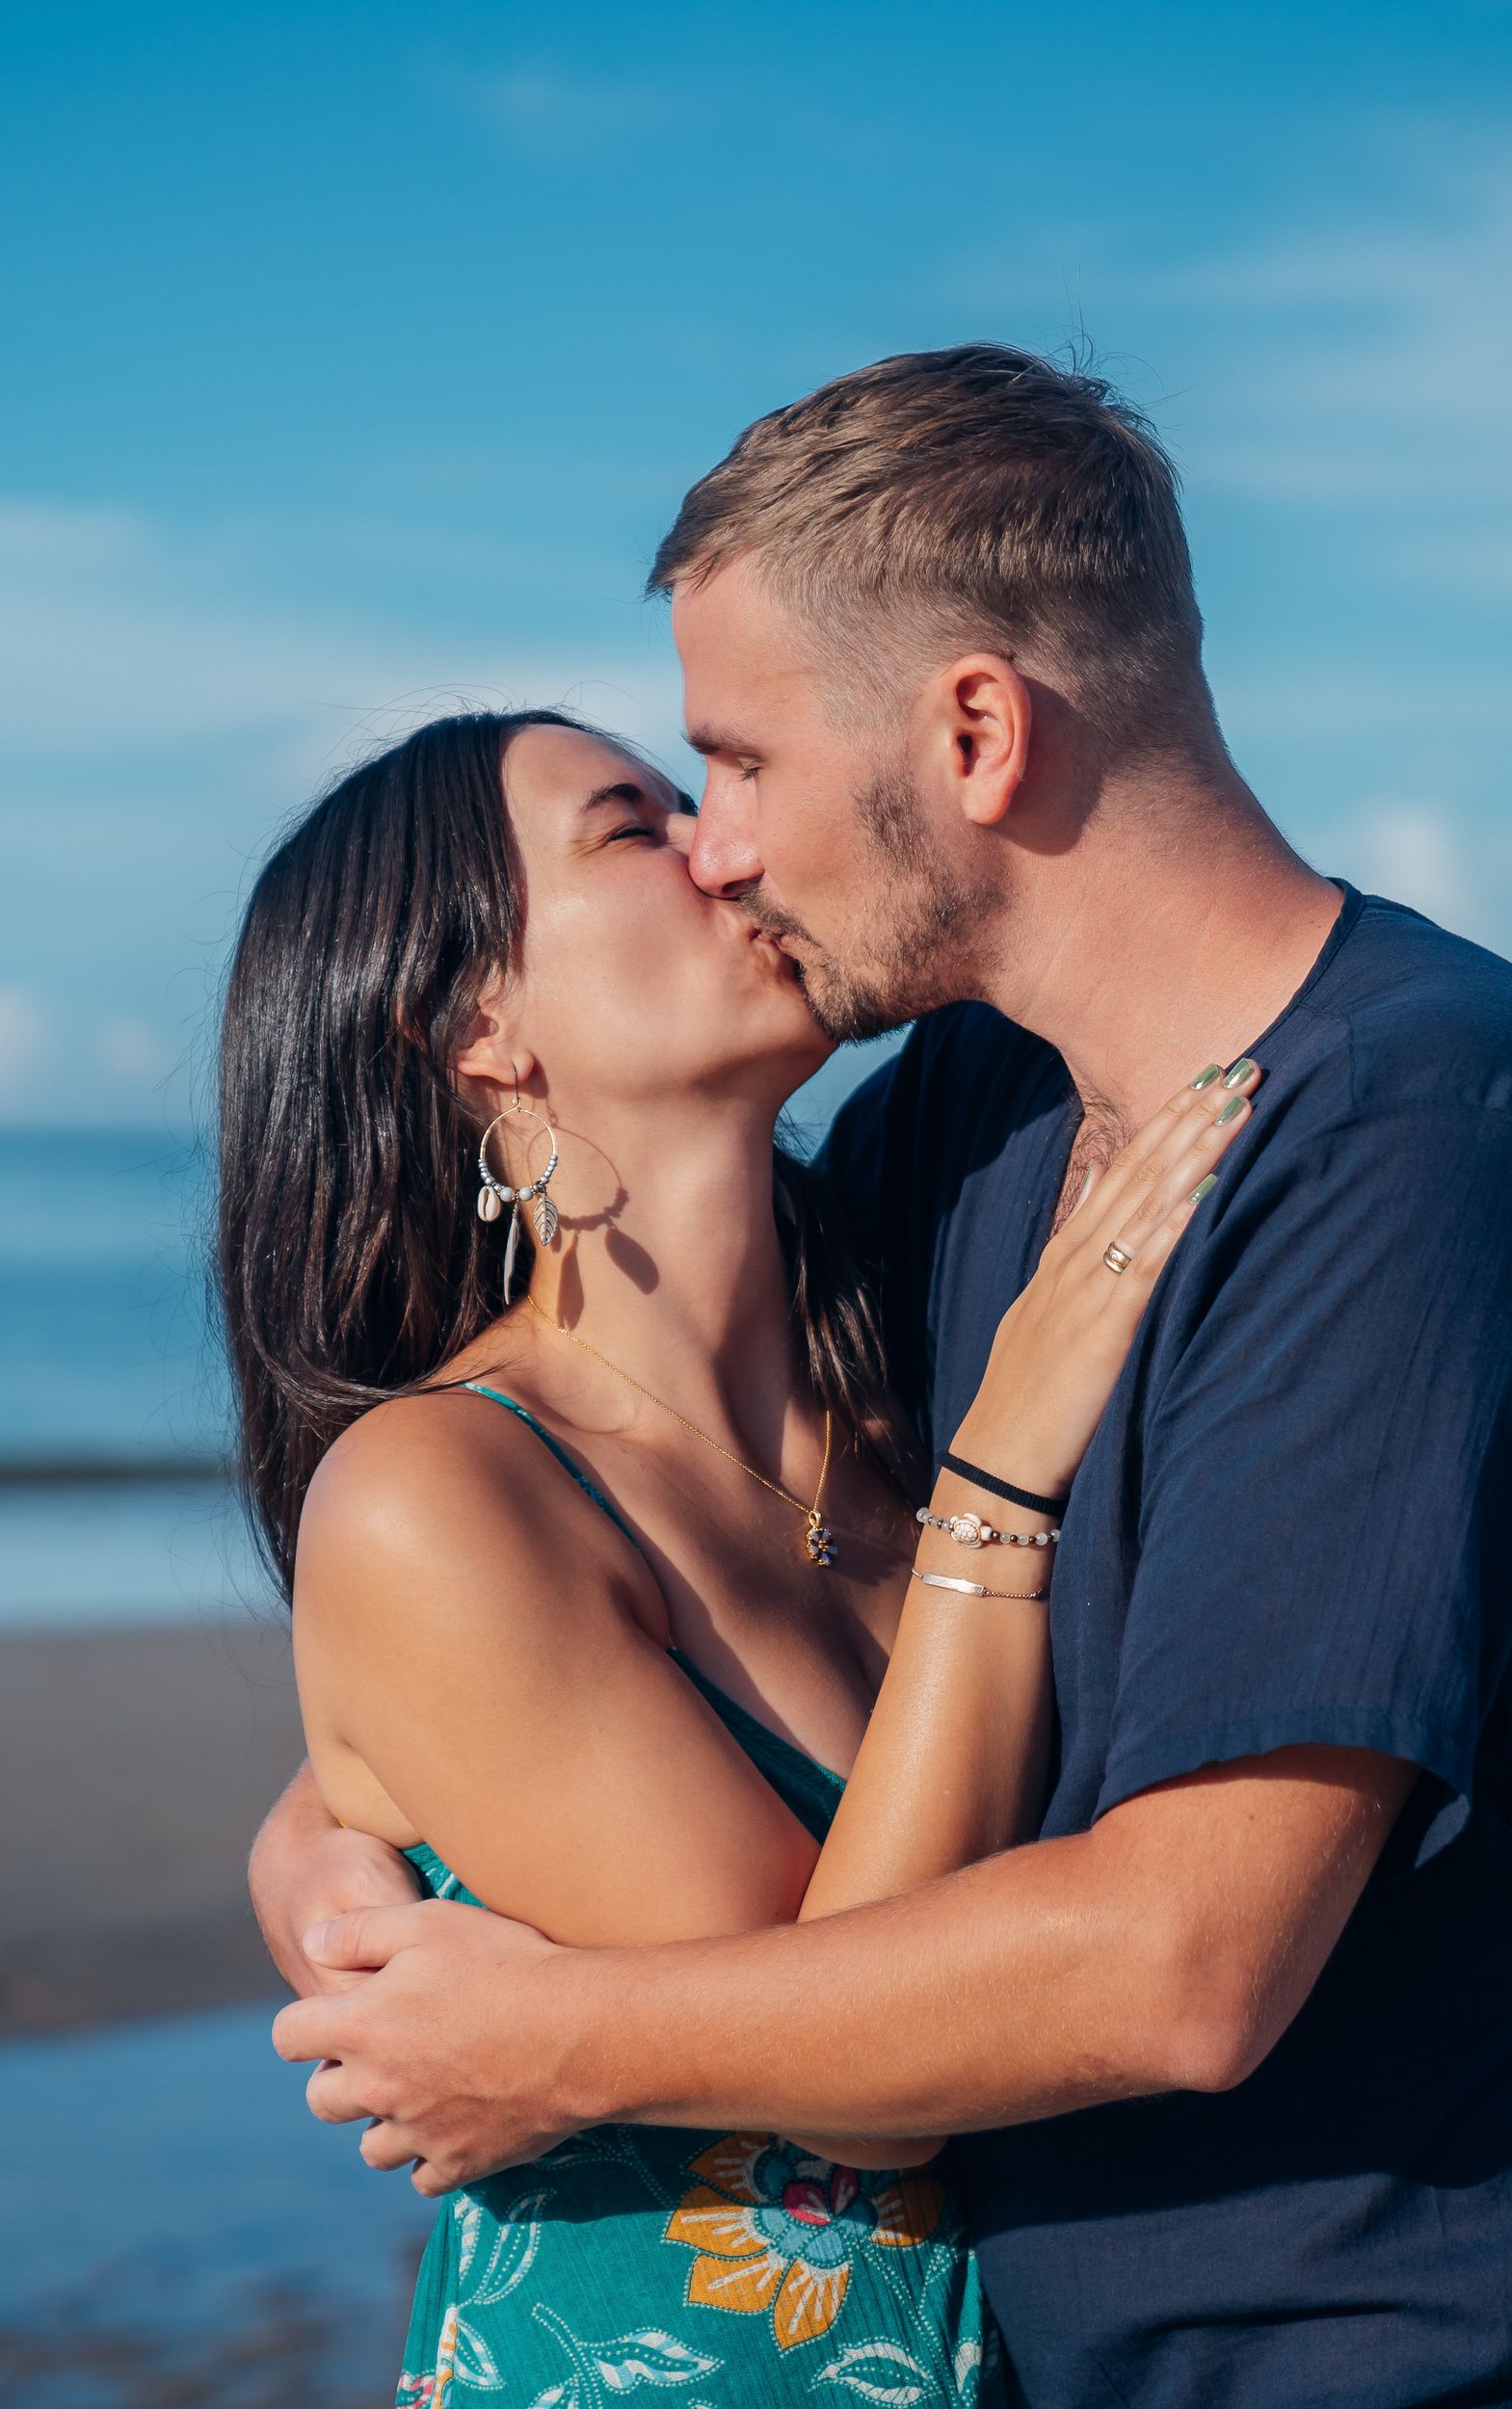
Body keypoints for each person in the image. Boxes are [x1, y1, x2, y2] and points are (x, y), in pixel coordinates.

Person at [259, 347, 1512, 2408]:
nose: (721, 849)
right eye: (668, 801)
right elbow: (554, 1573)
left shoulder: (1423, 1122)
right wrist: (344, 1833)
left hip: (1433, 2354)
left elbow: (1184, 1958)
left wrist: (541, 2038)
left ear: (971, 729)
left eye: (733, 763)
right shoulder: (970, 1125)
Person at [221, 704, 1270, 2403]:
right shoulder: (442, 1492)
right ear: (474, 1022)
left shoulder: (910, 1359)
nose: (725, 847)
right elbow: (872, 2076)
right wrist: (1004, 1479)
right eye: (632, 828)